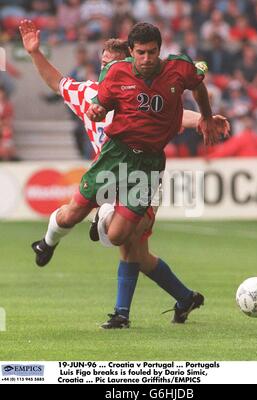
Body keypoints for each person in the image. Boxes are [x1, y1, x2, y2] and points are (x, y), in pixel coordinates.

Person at [19, 20, 230, 329]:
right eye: (103, 64)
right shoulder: (93, 92)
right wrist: (35, 53)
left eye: (113, 65)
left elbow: (175, 109)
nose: (107, 70)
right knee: (123, 244)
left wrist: (204, 119)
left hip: (145, 171)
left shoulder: (144, 81)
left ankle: (122, 312)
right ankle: (182, 297)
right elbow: (57, 83)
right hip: (111, 165)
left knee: (128, 242)